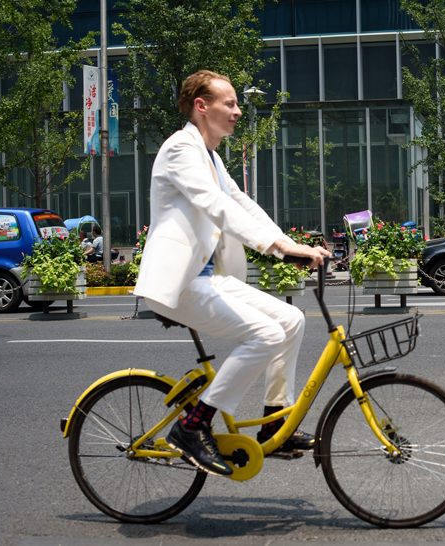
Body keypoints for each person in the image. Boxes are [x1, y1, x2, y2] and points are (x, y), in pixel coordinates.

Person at [133, 70, 330, 476]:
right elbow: (214, 206)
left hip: (210, 278)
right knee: (266, 334)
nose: (238, 111)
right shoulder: (180, 150)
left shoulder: (211, 155)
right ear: (201, 107)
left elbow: (240, 203)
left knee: (291, 319)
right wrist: (278, 248)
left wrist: (288, 246)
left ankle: (275, 422)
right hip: (181, 283)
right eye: (230, 103)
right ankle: (194, 426)